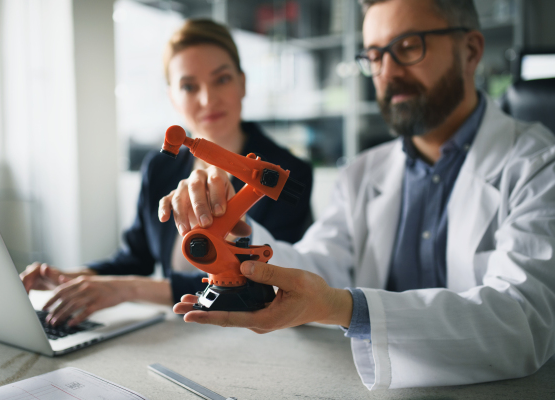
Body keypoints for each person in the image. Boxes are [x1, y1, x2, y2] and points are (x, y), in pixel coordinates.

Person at [167, 0, 555, 390]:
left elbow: (523, 321)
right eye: (374, 55)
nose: (387, 72)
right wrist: (236, 236)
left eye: (407, 47)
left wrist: (346, 309)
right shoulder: (362, 173)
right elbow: (319, 265)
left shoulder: (539, 165)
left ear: (470, 51)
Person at [20, 19, 313, 328]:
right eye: (188, 86)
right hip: (175, 331)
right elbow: (135, 259)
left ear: (242, 83)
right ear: (172, 96)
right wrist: (74, 277)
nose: (207, 99)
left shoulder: (283, 175)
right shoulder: (160, 168)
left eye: (222, 79)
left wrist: (130, 289)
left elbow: (279, 282)